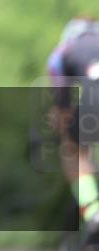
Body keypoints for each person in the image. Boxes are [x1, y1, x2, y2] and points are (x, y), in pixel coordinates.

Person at [47, 16, 99, 230]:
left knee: (72, 150)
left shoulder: (63, 52)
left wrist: (60, 121)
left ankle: (94, 213)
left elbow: (62, 105)